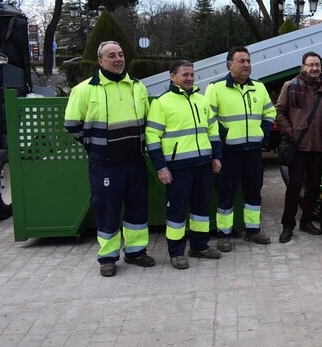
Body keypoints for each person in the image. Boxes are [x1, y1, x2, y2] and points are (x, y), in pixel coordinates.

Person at [64, 41, 155, 277]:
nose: (118, 59)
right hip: (105, 165)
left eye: (121, 54)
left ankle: (136, 252)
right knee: (107, 210)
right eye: (111, 55)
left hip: (135, 161)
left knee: (137, 208)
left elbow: (147, 120)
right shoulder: (84, 90)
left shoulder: (137, 86)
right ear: (100, 61)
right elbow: (72, 124)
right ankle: (108, 257)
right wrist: (94, 145)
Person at [146, 60, 224, 269]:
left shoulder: (202, 100)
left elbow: (213, 131)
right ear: (172, 77)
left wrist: (216, 157)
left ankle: (199, 246)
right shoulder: (161, 103)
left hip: (203, 165)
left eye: (192, 74)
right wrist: (161, 167)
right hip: (177, 168)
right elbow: (152, 137)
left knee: (201, 209)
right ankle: (177, 253)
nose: (189, 78)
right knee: (177, 213)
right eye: (184, 74)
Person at [205, 47, 276, 251]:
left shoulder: (259, 88)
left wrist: (263, 132)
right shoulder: (215, 88)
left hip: (253, 152)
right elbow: (209, 119)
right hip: (229, 153)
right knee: (226, 194)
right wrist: (222, 139)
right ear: (230, 65)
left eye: (248, 61)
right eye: (241, 61)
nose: (246, 65)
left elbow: (270, 111)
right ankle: (224, 235)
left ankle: (253, 231)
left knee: (254, 192)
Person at [275, 52, 322, 243]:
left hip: (319, 147)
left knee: (313, 188)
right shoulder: (291, 86)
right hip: (298, 146)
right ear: (303, 67)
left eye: (317, 65)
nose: (314, 68)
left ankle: (306, 221)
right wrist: (290, 132)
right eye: (310, 65)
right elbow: (279, 111)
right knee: (294, 187)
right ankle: (288, 225)